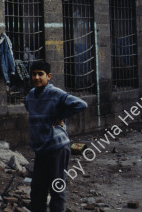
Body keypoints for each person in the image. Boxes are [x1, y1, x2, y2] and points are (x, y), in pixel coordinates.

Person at [24, 61, 87, 212]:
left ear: (49, 76)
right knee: (37, 189)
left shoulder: (55, 93)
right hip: (41, 148)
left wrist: (60, 115)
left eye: (41, 74)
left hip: (57, 147)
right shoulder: (30, 96)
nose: (37, 77)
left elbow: (81, 104)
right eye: (34, 74)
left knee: (56, 188)